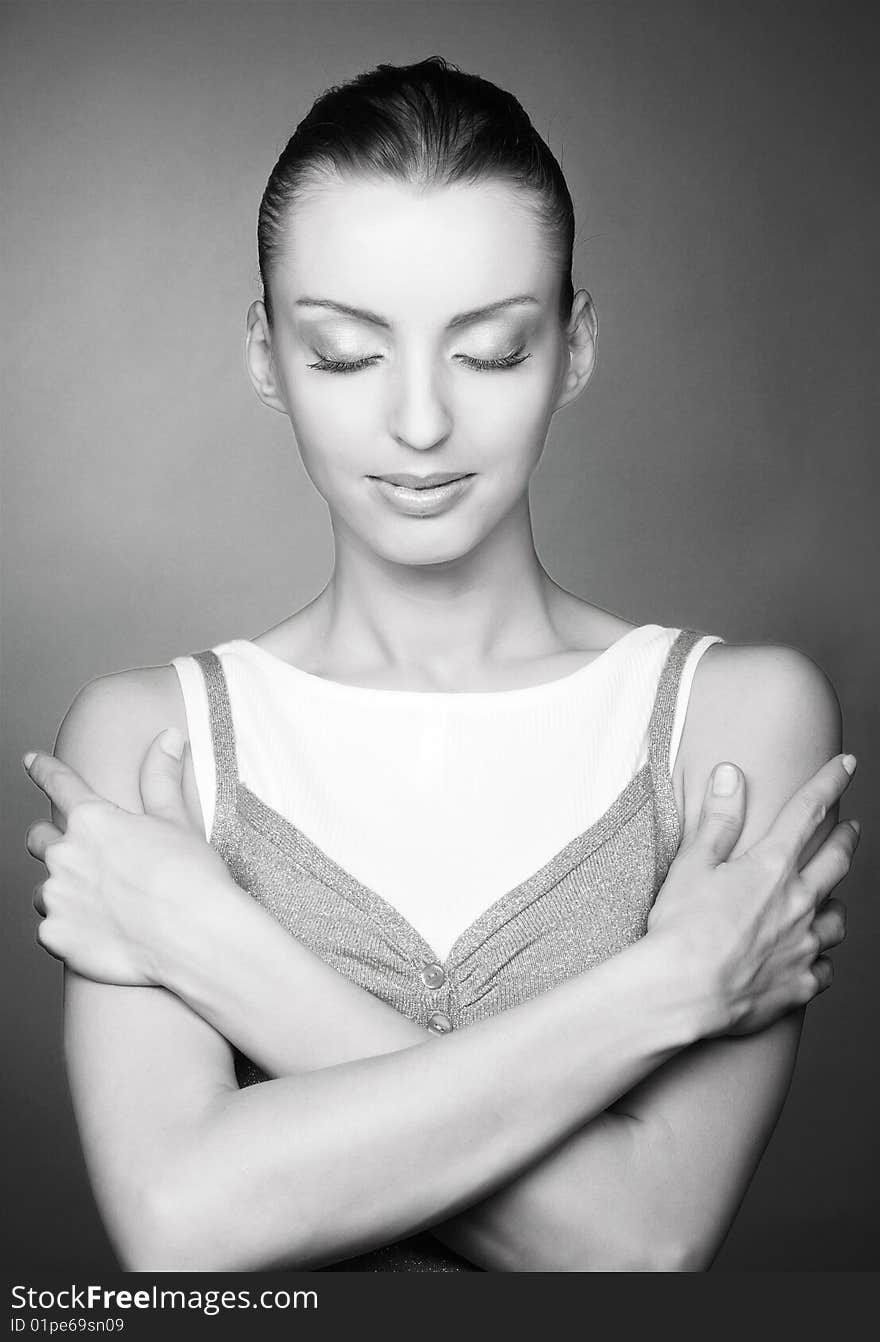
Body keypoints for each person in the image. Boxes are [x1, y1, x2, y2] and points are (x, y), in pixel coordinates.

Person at [22, 57, 859, 1273]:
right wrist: (670, 983)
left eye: (493, 350)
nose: (419, 423)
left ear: (572, 348)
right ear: (266, 354)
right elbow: (180, 1223)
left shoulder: (733, 721)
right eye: (347, 353)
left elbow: (638, 1245)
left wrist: (217, 948)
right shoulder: (149, 740)